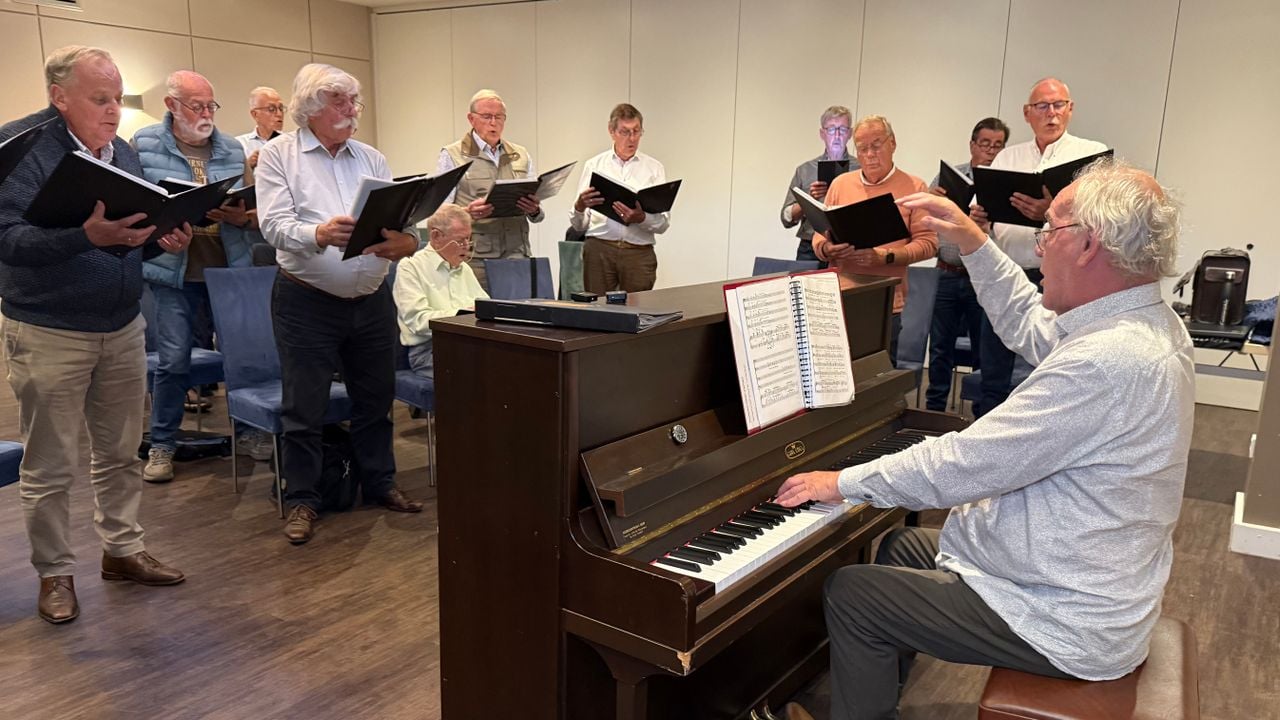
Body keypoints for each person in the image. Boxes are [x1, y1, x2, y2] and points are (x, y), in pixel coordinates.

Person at [774, 159, 1192, 720]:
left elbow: (964, 464)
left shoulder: (1109, 360)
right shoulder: (1139, 321)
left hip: (1067, 614)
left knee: (855, 594)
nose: (1041, 247)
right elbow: (1027, 323)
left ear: (1089, 244)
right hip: (1076, 573)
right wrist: (973, 240)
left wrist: (842, 481)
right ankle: (873, 702)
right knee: (902, 548)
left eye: (1049, 232)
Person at [0, 45, 193, 624]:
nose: (114, 111)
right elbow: (7, 240)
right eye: (100, 99)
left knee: (118, 453)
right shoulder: (20, 148)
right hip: (49, 327)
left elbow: (125, 234)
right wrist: (86, 237)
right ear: (59, 97)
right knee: (51, 463)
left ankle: (122, 551)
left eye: (116, 98)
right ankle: (55, 571)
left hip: (121, 324)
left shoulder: (123, 152)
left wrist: (161, 238)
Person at [256, 62, 424, 545]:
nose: (352, 110)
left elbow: (398, 219)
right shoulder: (278, 156)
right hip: (307, 301)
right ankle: (305, 497)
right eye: (340, 101)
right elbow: (273, 226)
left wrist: (406, 242)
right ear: (310, 107)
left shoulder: (371, 157)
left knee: (375, 401)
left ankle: (380, 483)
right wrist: (318, 234)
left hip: (371, 299)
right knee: (303, 407)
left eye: (354, 102)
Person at [132, 70, 268, 483]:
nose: (206, 113)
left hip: (229, 270)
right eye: (197, 106)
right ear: (171, 105)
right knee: (173, 361)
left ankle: (247, 433)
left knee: (243, 359)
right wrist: (159, 232)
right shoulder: (143, 145)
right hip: (173, 271)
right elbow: (134, 207)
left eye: (211, 105)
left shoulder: (231, 148)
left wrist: (241, 218)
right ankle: (163, 444)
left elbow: (256, 212)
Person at [969, 77, 1107, 417]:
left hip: (1064, 280)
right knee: (995, 366)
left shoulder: (1090, 156)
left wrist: (1046, 215)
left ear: (1070, 109)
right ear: (1027, 114)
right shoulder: (1006, 158)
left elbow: (1100, 224)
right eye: (1042, 106)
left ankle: (1041, 432)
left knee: (1051, 366)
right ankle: (986, 435)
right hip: (1008, 272)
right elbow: (980, 212)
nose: (1052, 113)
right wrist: (980, 220)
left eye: (1059, 104)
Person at [810, 115, 938, 364]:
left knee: (874, 377)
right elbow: (818, 236)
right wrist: (828, 248)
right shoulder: (840, 184)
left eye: (876, 145)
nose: (869, 154)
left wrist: (886, 256)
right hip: (838, 297)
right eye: (862, 148)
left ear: (893, 143)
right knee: (833, 373)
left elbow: (928, 244)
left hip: (885, 302)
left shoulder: (915, 186)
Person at [923, 116, 1010, 411]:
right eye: (985, 143)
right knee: (939, 347)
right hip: (946, 272)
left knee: (983, 348)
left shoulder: (1006, 184)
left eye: (998, 145)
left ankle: (979, 415)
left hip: (982, 278)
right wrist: (930, 201)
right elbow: (925, 223)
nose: (990, 150)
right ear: (972, 144)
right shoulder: (948, 178)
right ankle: (934, 410)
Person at [436, 89, 544, 291]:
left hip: (517, 253)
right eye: (487, 116)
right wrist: (467, 213)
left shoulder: (520, 154)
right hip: (477, 258)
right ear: (471, 119)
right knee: (478, 319)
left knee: (520, 319)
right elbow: (441, 213)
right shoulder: (453, 155)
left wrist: (534, 209)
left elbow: (538, 212)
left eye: (499, 117)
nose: (494, 122)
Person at [571, 103, 669, 294]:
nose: (631, 138)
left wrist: (641, 218)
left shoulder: (654, 168)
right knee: (597, 313)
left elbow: (663, 224)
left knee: (639, 313)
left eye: (636, 131)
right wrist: (580, 206)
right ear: (611, 131)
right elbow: (578, 226)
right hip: (599, 249)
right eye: (624, 132)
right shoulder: (594, 165)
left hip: (638, 252)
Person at [393, 205, 487, 380]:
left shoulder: (464, 269)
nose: (466, 247)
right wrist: (463, 315)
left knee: (514, 364)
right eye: (460, 240)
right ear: (436, 236)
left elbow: (485, 308)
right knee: (486, 373)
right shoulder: (411, 266)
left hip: (469, 345)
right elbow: (417, 321)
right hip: (429, 350)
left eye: (469, 239)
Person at [781, 105, 860, 264]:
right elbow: (786, 218)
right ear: (822, 134)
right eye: (831, 130)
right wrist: (808, 200)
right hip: (810, 247)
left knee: (846, 289)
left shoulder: (861, 169)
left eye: (842, 129)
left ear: (850, 134)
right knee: (806, 289)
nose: (837, 136)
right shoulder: (804, 170)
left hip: (849, 246)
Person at [236, 86, 285, 173]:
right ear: (255, 114)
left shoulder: (291, 143)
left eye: (281, 108)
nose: (279, 114)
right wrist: (248, 166)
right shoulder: (240, 145)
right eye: (271, 109)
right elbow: (232, 182)